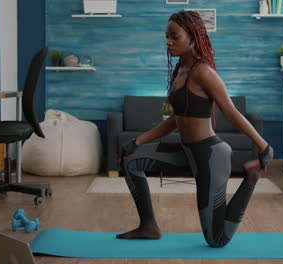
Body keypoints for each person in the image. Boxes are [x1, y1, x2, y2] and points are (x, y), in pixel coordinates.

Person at [116, 10, 273, 248]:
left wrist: (263, 146)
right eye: (166, 36)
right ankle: (148, 226)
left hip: (210, 156)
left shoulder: (204, 72)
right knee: (130, 161)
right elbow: (175, 121)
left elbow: (231, 112)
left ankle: (251, 178)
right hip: (185, 151)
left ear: (193, 37)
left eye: (174, 36)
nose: (168, 42)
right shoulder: (179, 72)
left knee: (216, 239)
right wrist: (137, 142)